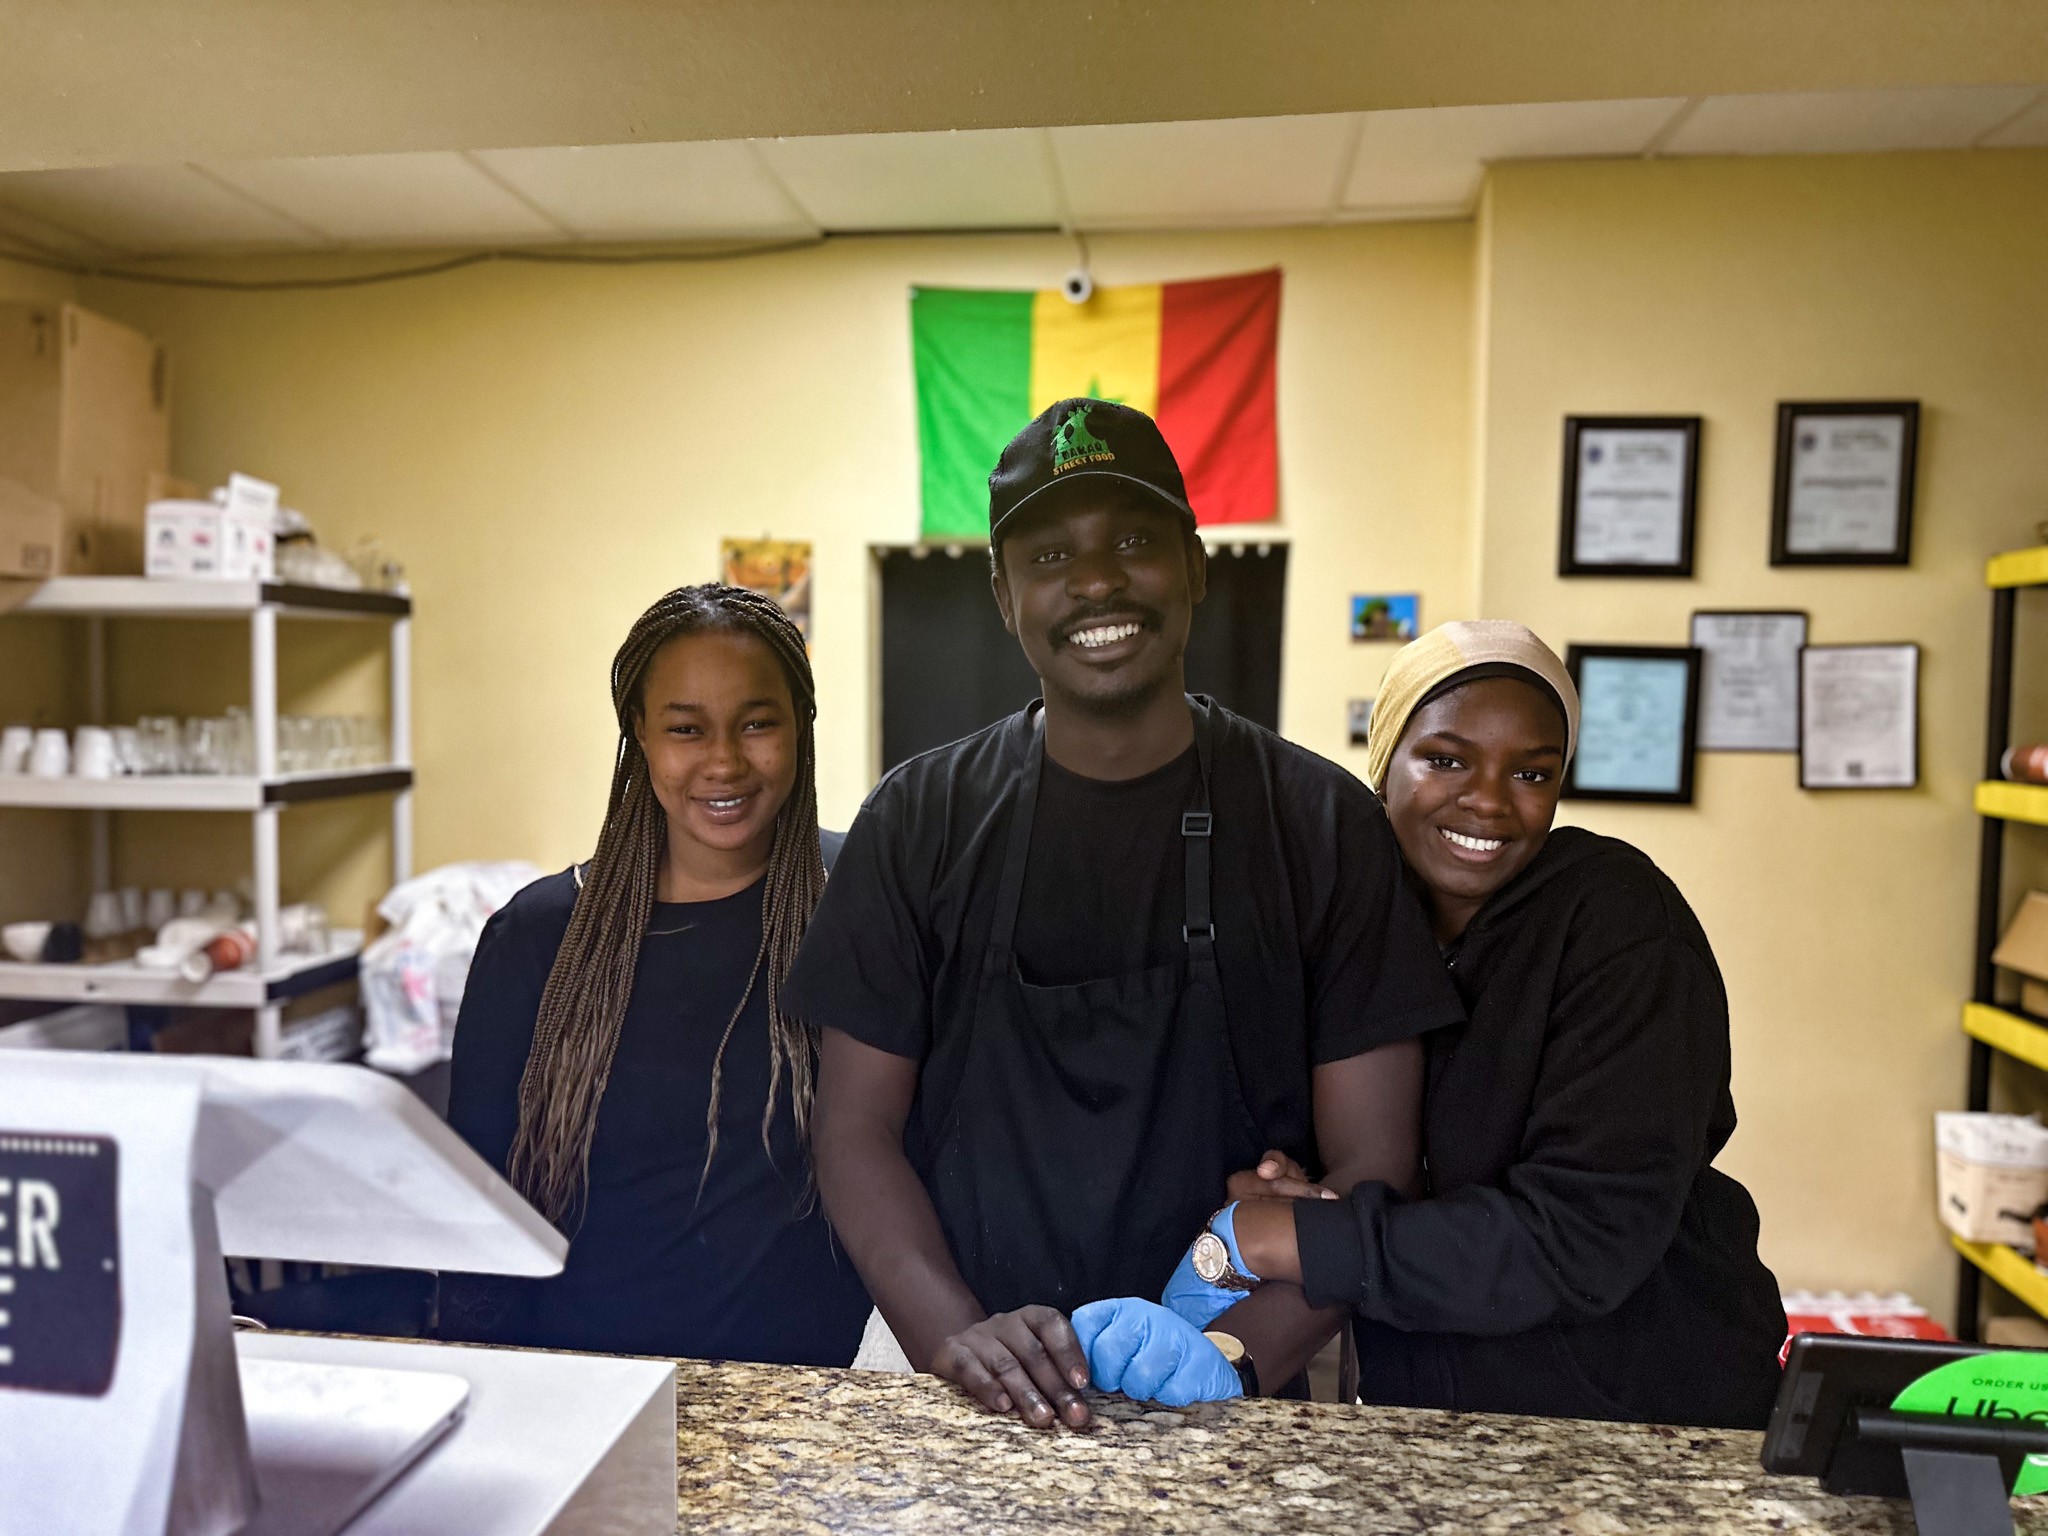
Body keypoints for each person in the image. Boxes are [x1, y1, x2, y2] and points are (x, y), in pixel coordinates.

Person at [792, 398, 1462, 1427]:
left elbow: (1375, 1163)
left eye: (1136, 541)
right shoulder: (916, 820)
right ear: (1003, 593)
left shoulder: (1319, 823)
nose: (1096, 578)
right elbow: (853, 1130)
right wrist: (954, 1338)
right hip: (954, 1370)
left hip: (1256, 1367)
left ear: (1195, 567)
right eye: (1051, 553)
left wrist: (1225, 1361)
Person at [1144, 620, 1786, 1428]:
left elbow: (1581, 1238)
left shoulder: (1617, 922)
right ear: (1382, 768)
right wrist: (1298, 1194)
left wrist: (1277, 1236)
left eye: (1532, 771)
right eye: (1446, 759)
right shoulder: (1351, 928)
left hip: (1644, 1412)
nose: (1489, 799)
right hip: (1437, 1418)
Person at [440, 583, 871, 1366]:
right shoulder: (541, 938)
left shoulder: (865, 901)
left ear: (801, 726)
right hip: (583, 1396)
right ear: (638, 732)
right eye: (685, 729)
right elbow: (475, 1216)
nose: (724, 761)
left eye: (758, 723)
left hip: (803, 1415)